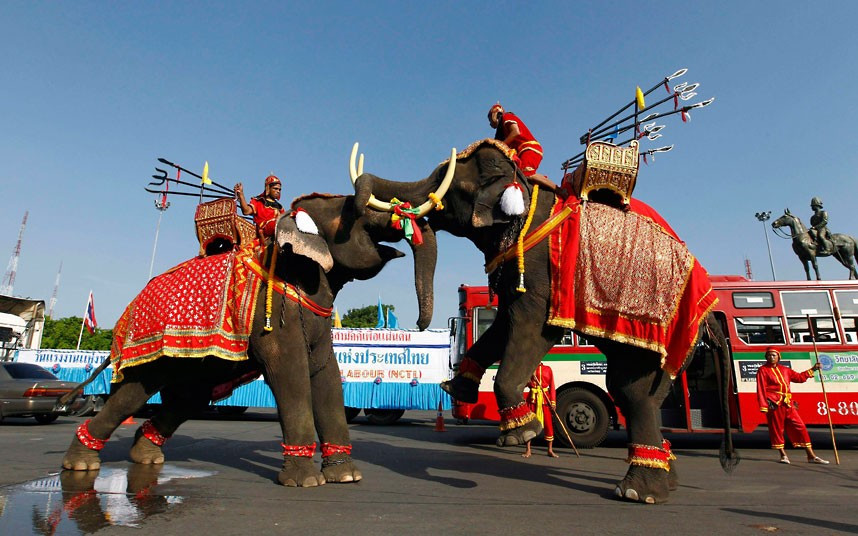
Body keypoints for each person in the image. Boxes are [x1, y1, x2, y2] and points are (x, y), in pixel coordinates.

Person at [755, 347, 829, 464]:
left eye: (774, 355)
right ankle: (783, 455)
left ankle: (811, 455)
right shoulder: (763, 370)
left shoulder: (785, 370)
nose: (771, 357)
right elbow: (761, 388)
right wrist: (764, 405)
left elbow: (799, 378)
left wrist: (813, 369)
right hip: (774, 404)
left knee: (800, 426)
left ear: (779, 357)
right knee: (777, 429)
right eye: (769, 355)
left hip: (788, 403)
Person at [488, 103, 558, 193]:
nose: (490, 123)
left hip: (529, 148)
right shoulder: (503, 131)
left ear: (494, 114)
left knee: (527, 173)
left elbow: (515, 132)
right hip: (522, 152)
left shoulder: (507, 116)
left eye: (490, 119)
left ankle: (558, 190)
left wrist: (501, 145)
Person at [522, 362, 558, 458]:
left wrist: (553, 402)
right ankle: (528, 450)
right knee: (529, 424)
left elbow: (552, 386)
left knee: (548, 424)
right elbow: (523, 384)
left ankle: (550, 450)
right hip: (532, 400)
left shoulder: (547, 369)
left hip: (545, 400)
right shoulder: (529, 368)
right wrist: (530, 380)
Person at [234, 175, 285, 240]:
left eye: (279, 189)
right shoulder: (258, 202)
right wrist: (241, 194)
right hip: (263, 235)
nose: (278, 191)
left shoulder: (280, 208)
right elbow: (246, 211)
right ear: (268, 188)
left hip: (278, 236)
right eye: (275, 189)